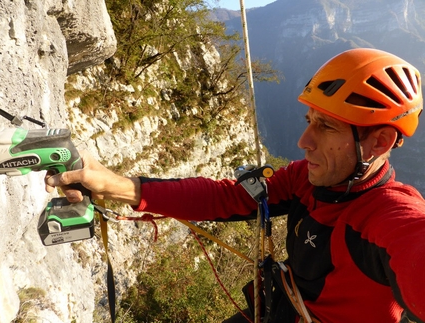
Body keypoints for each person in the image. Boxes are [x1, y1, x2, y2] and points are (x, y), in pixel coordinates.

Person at [46, 48, 425, 323]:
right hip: (282, 309)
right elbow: (225, 197)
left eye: (326, 127)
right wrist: (118, 185)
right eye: (309, 120)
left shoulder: (387, 216)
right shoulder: (304, 180)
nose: (304, 141)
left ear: (379, 143)